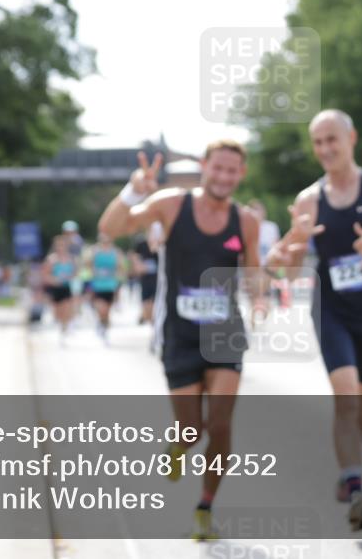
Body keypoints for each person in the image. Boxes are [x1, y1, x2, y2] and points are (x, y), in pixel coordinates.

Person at [98, 141, 265, 541]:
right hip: (179, 334)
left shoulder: (245, 221)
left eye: (232, 171)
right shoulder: (171, 204)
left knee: (220, 424)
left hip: (224, 333)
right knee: (190, 430)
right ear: (204, 167)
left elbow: (254, 271)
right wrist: (134, 190)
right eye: (218, 168)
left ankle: (205, 507)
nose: (224, 177)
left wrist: (261, 297)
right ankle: (178, 446)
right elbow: (111, 228)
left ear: (240, 174)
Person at [264, 109, 362, 530]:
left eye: (331, 139)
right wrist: (291, 247)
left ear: (351, 138)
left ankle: (349, 468)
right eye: (317, 142)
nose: (325, 149)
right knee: (347, 396)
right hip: (329, 308)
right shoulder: (308, 201)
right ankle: (355, 487)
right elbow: (289, 270)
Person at [85, 233, 125, 342]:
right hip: (98, 285)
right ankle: (101, 324)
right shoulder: (94, 251)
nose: (105, 242)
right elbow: (87, 265)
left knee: (107, 312)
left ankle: (104, 328)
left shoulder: (116, 252)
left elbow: (121, 267)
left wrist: (116, 273)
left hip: (111, 285)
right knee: (101, 309)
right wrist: (94, 271)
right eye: (103, 240)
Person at [41, 233, 79, 337]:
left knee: (67, 308)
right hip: (55, 288)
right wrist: (54, 280)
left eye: (63, 245)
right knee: (58, 313)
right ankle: (62, 325)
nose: (61, 247)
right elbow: (45, 275)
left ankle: (66, 326)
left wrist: (71, 278)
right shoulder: (51, 259)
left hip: (67, 287)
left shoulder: (71, 259)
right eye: (59, 245)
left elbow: (76, 273)